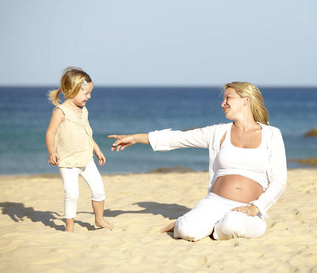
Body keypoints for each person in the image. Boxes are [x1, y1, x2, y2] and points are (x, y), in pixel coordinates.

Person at [109, 82, 287, 241]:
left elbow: (279, 181)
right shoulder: (218, 132)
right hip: (214, 202)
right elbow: (178, 138)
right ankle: (194, 222)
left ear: (246, 101)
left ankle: (213, 226)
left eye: (228, 98)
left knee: (230, 226)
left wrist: (256, 207)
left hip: (248, 207)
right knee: (187, 231)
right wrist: (136, 138)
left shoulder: (272, 135)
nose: (222, 104)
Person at [46, 67, 114, 232]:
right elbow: (50, 133)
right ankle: (69, 226)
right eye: (86, 93)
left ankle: (99, 219)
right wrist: (51, 151)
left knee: (98, 189)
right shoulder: (60, 112)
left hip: (86, 158)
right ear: (70, 91)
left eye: (90, 93)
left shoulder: (83, 111)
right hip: (67, 161)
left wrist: (96, 149)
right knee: (72, 194)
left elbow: (86, 134)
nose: (89, 97)